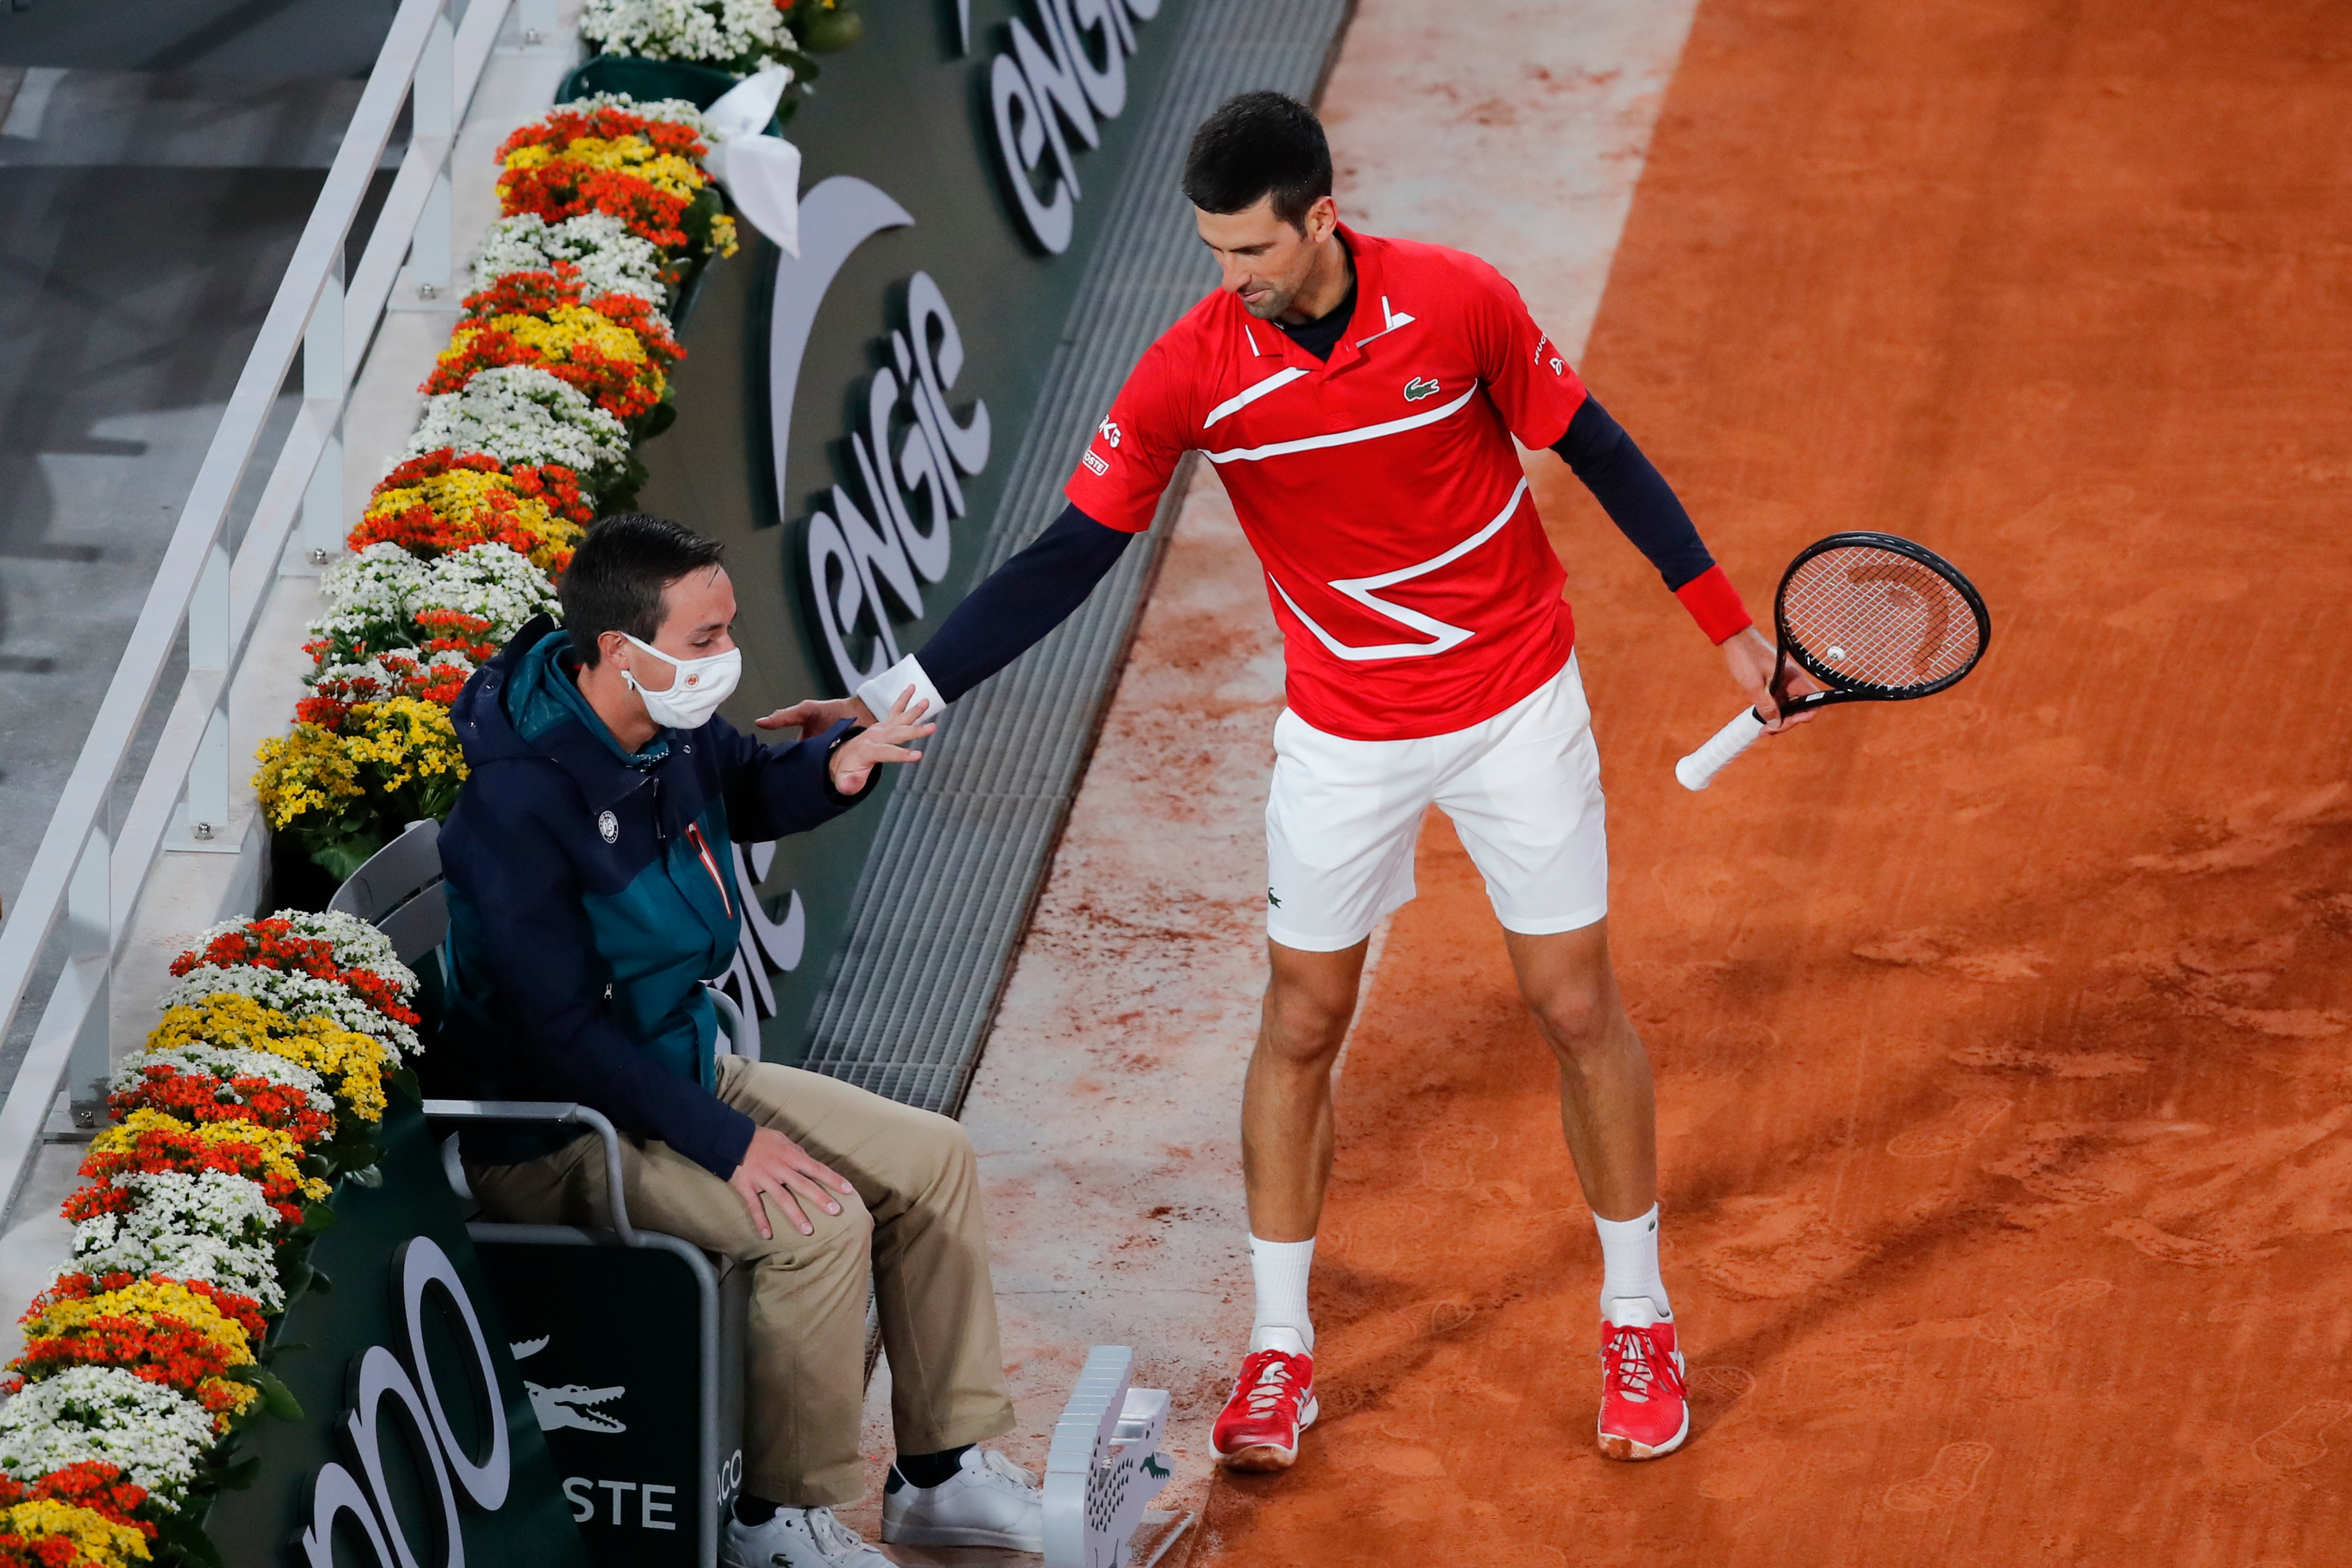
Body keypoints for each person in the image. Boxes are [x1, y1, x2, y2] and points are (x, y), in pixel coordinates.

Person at [808, 93, 1824, 1470]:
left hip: (1516, 701)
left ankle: (1637, 1315)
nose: (1232, 280)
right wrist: (895, 697)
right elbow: (1067, 558)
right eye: (1215, 253)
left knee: (1576, 1000)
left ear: (1322, 219)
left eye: (1252, 253)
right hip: (1345, 734)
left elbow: (1599, 450)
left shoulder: (1457, 303)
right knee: (1302, 1017)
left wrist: (1726, 628)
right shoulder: (1194, 370)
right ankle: (1281, 1352)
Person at [437, 514, 1050, 1568]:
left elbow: (752, 788)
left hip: (667, 1068)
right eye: (707, 638)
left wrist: (838, 767)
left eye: (727, 632)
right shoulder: (516, 804)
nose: (727, 660)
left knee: (930, 1160)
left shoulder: (660, 729)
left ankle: (941, 1476)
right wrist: (729, 1144)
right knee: (817, 1223)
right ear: (623, 652)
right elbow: (562, 1036)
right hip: (555, 1132)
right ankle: (776, 1520)